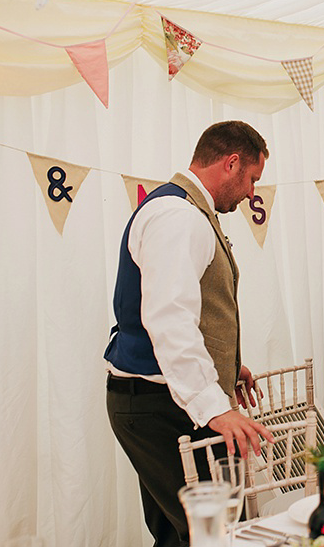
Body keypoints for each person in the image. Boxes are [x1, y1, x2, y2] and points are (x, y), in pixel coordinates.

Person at [104, 120, 274, 547]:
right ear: (231, 163)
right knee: (211, 534)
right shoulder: (179, 216)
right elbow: (170, 320)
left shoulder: (184, 210)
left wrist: (226, 364)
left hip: (162, 398)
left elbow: (193, 312)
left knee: (180, 534)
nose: (253, 192)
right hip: (157, 405)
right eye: (253, 179)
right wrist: (215, 408)